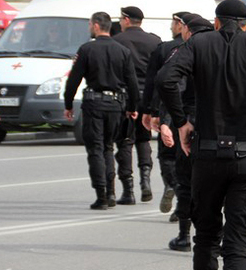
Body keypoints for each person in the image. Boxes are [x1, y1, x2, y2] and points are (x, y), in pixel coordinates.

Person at [157, 0, 246, 268]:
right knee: (237, 244)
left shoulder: (198, 43)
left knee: (207, 239)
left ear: (217, 21)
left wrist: (181, 121)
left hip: (207, 154)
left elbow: (165, 79)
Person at [63, 12, 139, 210]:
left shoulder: (87, 49)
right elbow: (132, 82)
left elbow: (74, 79)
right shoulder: (122, 50)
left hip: (94, 104)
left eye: (90, 24)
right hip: (116, 105)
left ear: (96, 26)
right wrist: (132, 108)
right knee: (107, 147)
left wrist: (68, 103)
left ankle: (102, 195)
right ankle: (112, 191)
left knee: (95, 149)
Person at [159, 15, 214, 253]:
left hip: (190, 121)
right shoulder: (225, 49)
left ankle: (184, 235)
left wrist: (169, 121)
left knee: (186, 181)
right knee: (217, 184)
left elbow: (169, 84)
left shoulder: (185, 51)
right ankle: (216, 236)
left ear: (188, 32)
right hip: (221, 124)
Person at [141, 11, 190, 221]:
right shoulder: (204, 47)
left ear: (180, 25)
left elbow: (153, 82)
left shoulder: (165, 49)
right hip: (195, 110)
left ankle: (173, 186)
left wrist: (150, 112)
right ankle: (185, 204)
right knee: (189, 157)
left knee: (167, 154)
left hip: (169, 108)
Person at [111, 6, 162, 206]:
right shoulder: (155, 41)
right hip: (147, 98)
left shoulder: (116, 42)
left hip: (124, 98)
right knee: (143, 140)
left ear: (125, 19)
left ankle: (128, 189)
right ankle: (146, 182)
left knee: (124, 141)